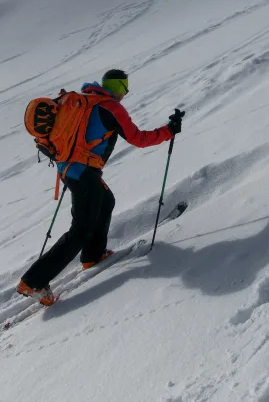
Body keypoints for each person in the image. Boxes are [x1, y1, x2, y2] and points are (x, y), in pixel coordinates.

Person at [16, 69, 183, 305]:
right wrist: (169, 131)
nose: (125, 94)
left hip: (69, 170)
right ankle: (33, 282)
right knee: (80, 230)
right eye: (124, 88)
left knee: (106, 201)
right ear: (119, 88)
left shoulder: (81, 100)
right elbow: (138, 138)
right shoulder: (110, 107)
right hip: (83, 174)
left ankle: (93, 256)